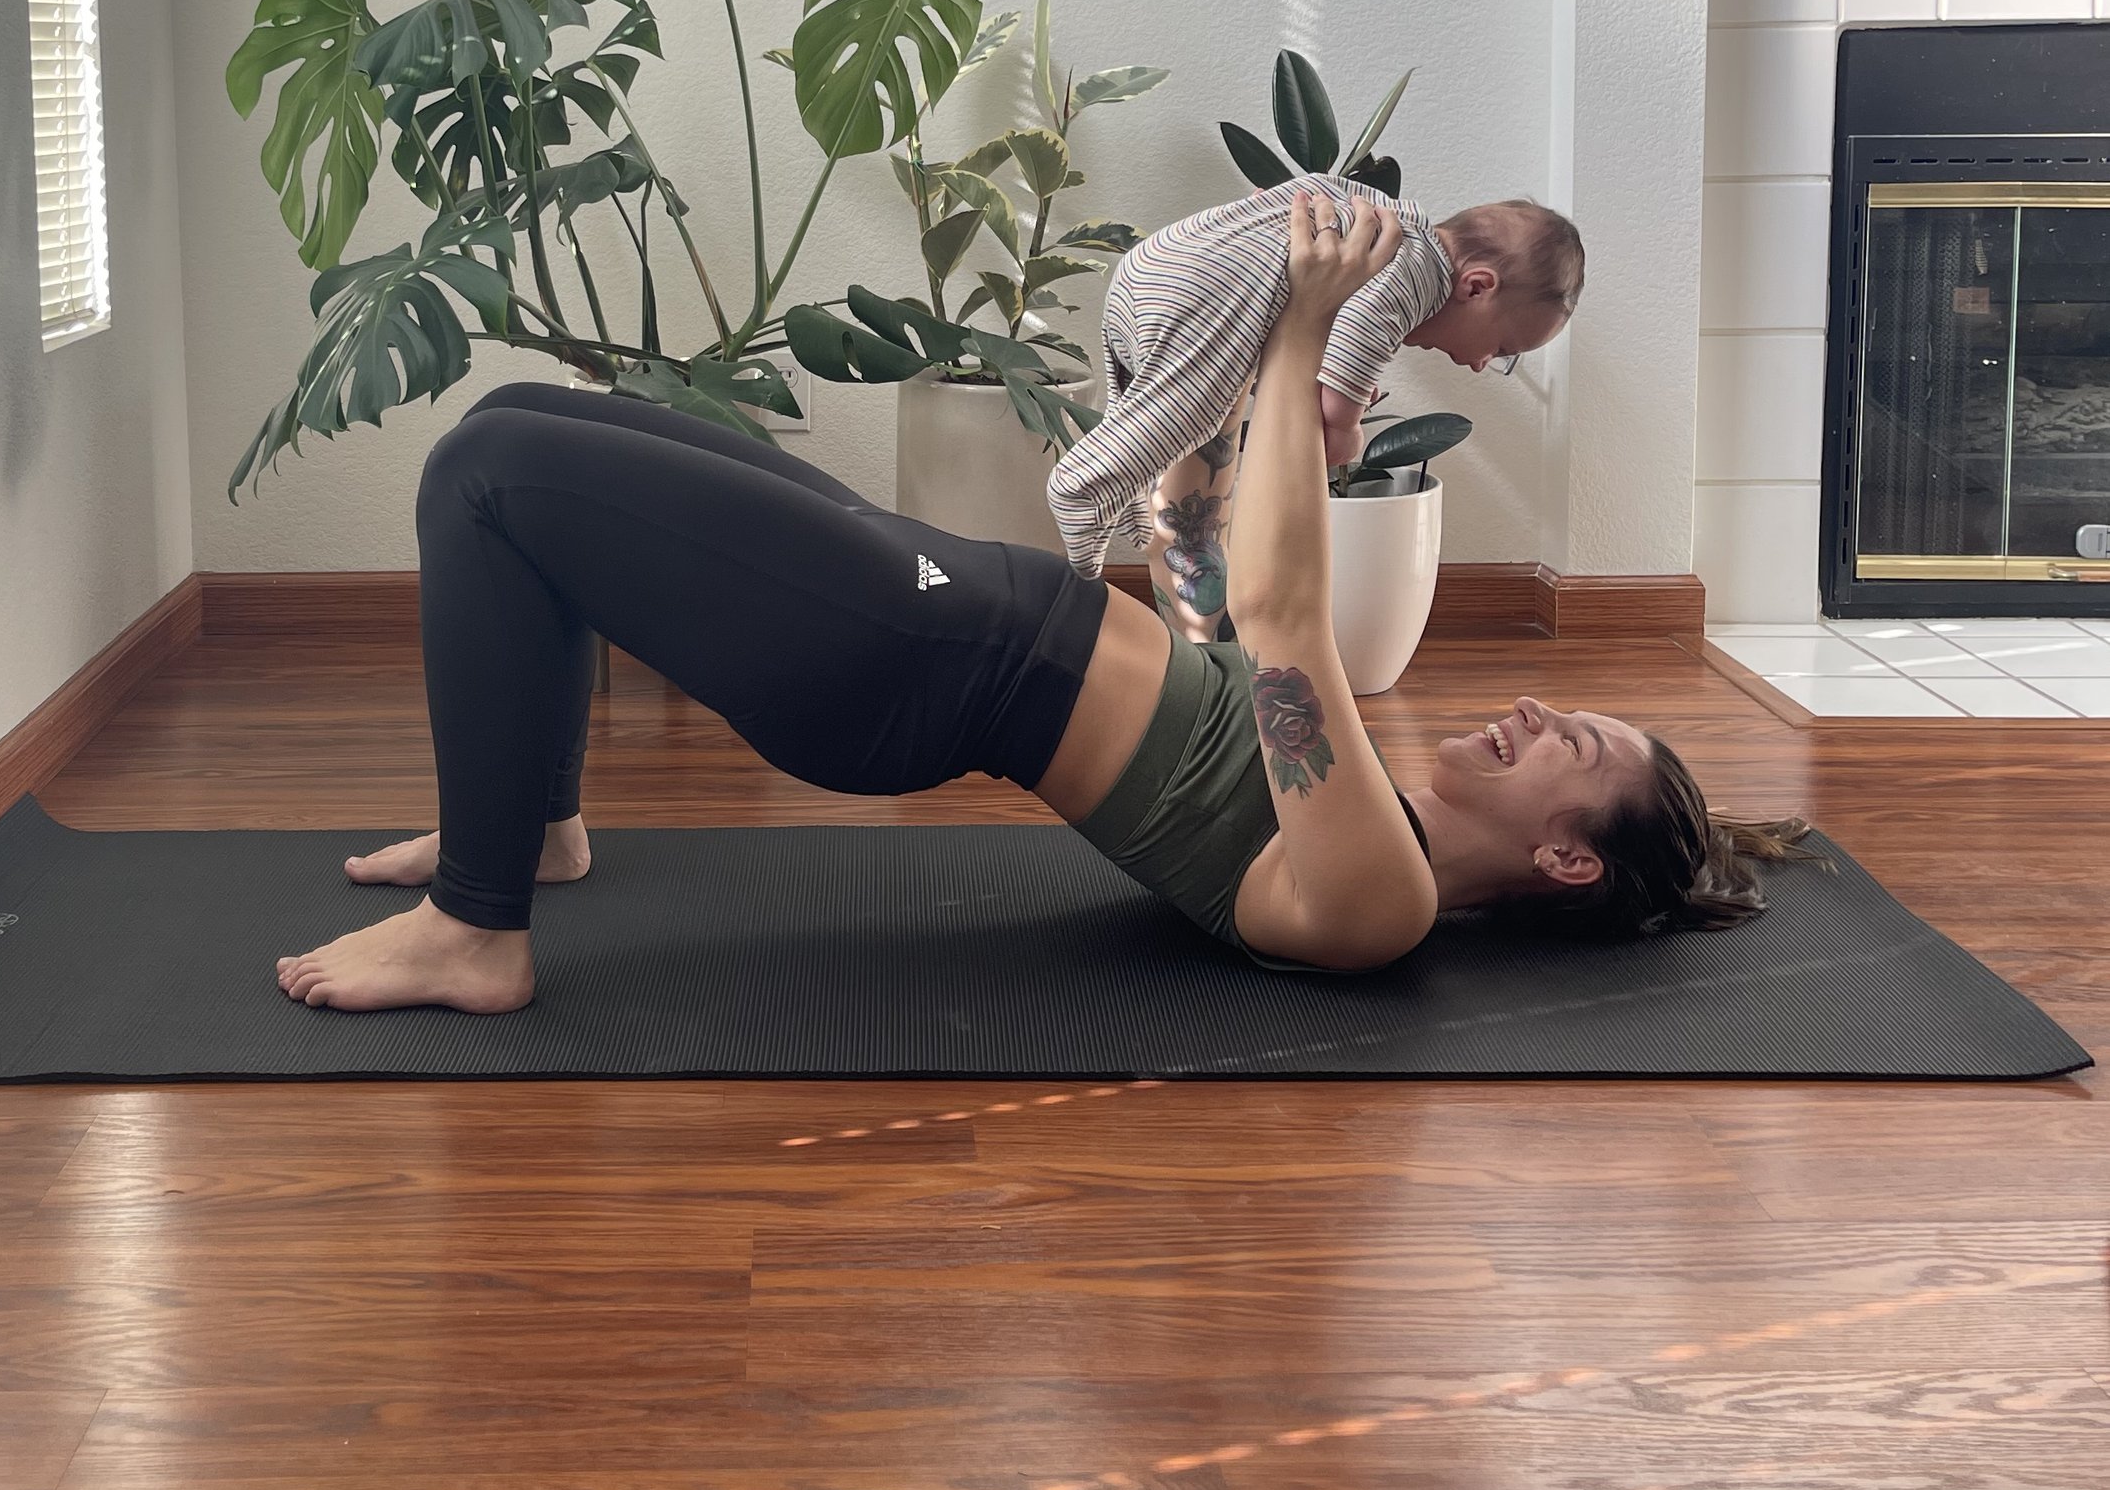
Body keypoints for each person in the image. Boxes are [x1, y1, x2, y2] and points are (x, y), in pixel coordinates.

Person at [274, 197, 1802, 1016]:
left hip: (901, 653)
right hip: (934, 583)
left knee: (491, 479)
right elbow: (1207, 578)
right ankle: (533, 821)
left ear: (1559, 855)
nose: (1537, 712)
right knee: (525, 418)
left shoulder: (1376, 895)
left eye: (1572, 744)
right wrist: (1187, 383)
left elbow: (1279, 613)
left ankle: (481, 931)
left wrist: (1306, 333)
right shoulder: (1354, 798)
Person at [1045, 178, 1585, 641]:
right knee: (1191, 414)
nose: (1481, 363)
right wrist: (1347, 428)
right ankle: (1084, 487)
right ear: (1477, 286)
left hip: (1156, 260)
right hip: (1200, 291)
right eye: (1503, 351)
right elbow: (1341, 379)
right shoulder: (1411, 275)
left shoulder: (1389, 221)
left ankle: (1125, 498)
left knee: (1150, 410)